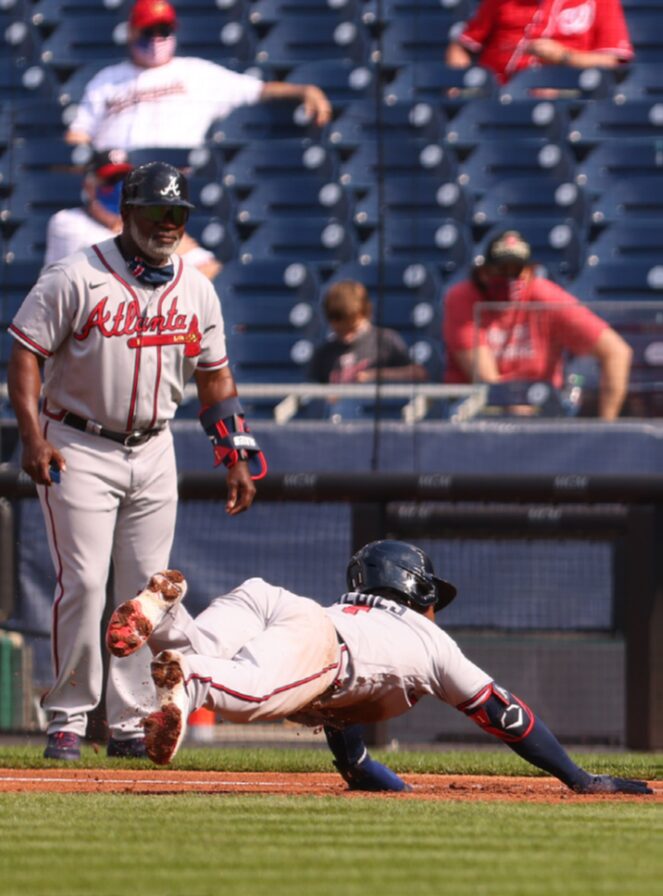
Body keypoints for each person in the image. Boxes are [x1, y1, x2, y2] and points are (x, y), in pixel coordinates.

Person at [7, 161, 267, 761]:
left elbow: (216, 376)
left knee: (145, 596)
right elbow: (25, 353)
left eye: (178, 213)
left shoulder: (197, 287)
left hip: (154, 446)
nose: (170, 223)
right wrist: (31, 434)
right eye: (158, 212)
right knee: (86, 582)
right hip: (77, 442)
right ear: (128, 213)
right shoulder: (76, 275)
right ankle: (69, 719)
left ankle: (128, 721)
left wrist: (235, 453)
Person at [105, 540, 651, 796]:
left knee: (213, 646)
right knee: (244, 694)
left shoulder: (353, 609)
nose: (437, 610)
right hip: (323, 645)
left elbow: (357, 764)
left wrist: (400, 792)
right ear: (417, 588)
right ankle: (192, 679)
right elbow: (507, 717)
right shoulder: (429, 640)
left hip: (278, 604)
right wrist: (580, 778)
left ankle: (170, 617)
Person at [64, 0, 332, 151]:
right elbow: (79, 133)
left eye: (164, 30)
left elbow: (257, 90)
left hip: (174, 176)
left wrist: (303, 90)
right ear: (132, 32)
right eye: (149, 31)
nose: (157, 38)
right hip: (119, 178)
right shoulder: (107, 79)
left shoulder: (195, 72)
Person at [442, 230, 633, 420]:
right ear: (484, 272)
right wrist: (518, 404)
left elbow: (617, 351)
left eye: (516, 270)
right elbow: (490, 382)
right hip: (478, 410)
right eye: (502, 269)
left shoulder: (545, 297)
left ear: (530, 272)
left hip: (542, 408)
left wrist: (607, 425)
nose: (510, 278)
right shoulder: (463, 298)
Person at [44, 149, 221, 280]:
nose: (119, 187)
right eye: (110, 180)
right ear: (89, 187)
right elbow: (109, 272)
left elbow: (210, 268)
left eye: (125, 179)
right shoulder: (67, 221)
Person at [445, 0, 633, 84]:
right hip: (497, 94)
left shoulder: (600, 1)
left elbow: (612, 61)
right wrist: (457, 83)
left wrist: (564, 56)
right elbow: (462, 45)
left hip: (563, 95)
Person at [308, 280, 428, 385]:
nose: (347, 337)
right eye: (340, 331)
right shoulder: (324, 353)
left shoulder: (385, 341)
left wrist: (375, 376)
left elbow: (418, 374)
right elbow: (313, 394)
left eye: (352, 329)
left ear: (366, 313)